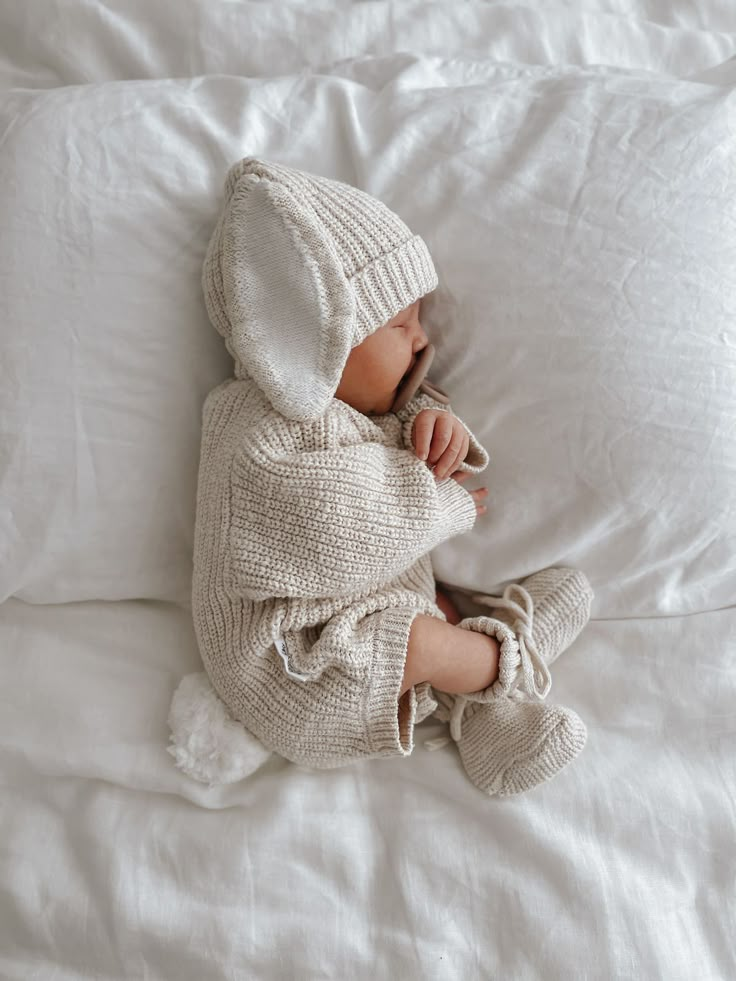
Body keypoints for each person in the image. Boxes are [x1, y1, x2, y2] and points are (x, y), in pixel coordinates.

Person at [191, 156, 593, 797]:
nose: (419, 339)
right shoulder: (255, 431)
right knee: (416, 639)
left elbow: (403, 430)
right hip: (294, 669)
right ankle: (501, 662)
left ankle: (482, 714)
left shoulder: (364, 410)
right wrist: (438, 501)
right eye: (402, 325)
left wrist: (438, 428)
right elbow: (328, 525)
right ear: (318, 341)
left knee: (434, 612)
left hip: (371, 620)